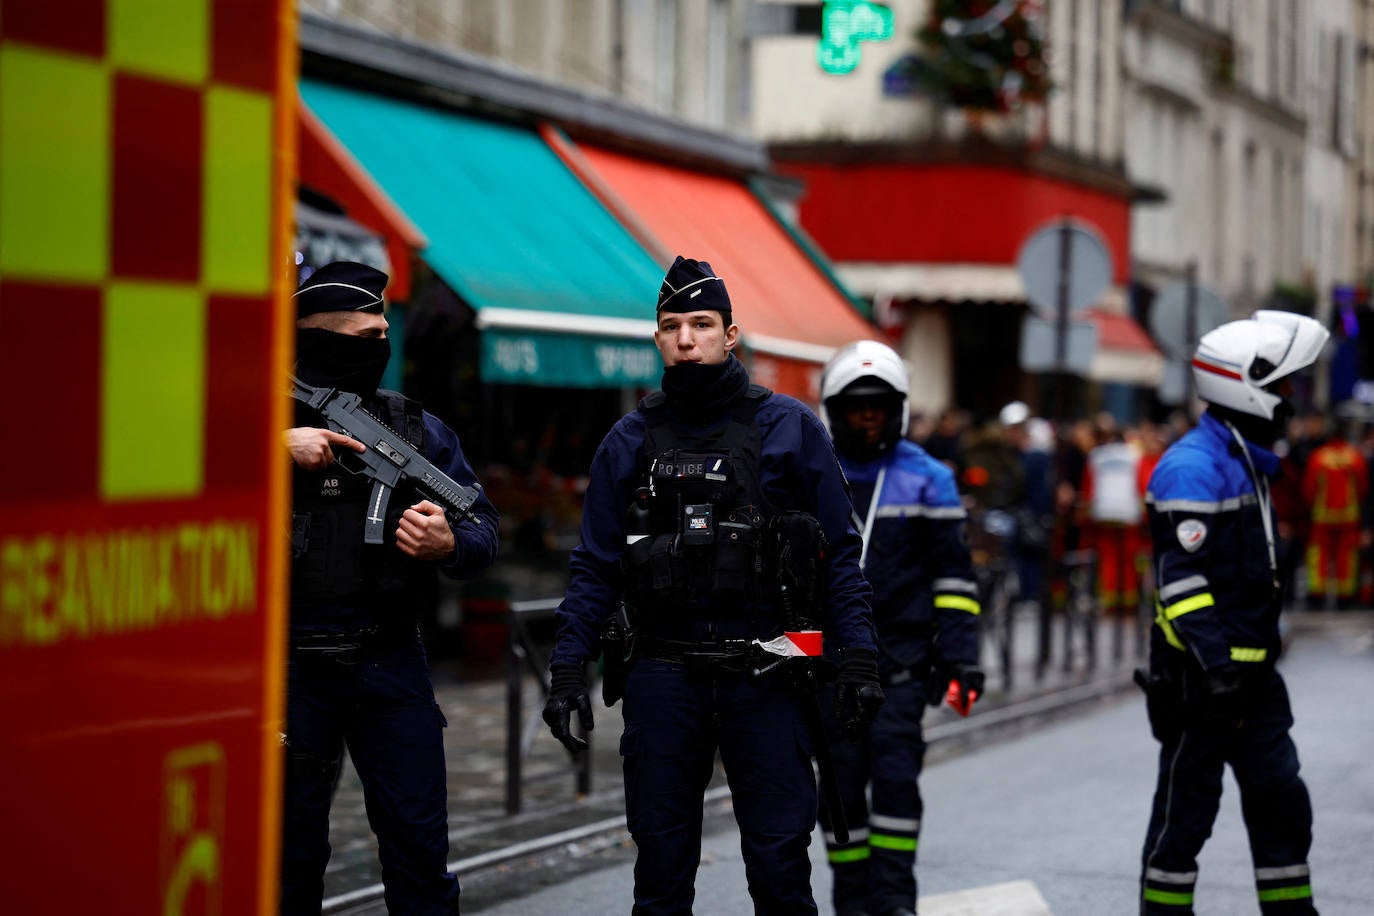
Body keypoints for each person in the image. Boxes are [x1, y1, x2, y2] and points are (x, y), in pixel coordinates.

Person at [541, 256, 881, 914]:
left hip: (773, 674)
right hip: (664, 675)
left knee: (780, 864)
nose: (686, 337)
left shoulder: (791, 429)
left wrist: (859, 659)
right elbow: (594, 566)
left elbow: (839, 553)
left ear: (731, 335)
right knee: (661, 869)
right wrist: (565, 671)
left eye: (702, 323)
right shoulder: (629, 440)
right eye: (672, 325)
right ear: (658, 339)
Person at [282, 261, 500, 915]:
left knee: (419, 855)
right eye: (361, 336)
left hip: (388, 658)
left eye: (384, 333)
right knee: (287, 863)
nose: (378, 348)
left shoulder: (415, 429)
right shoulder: (250, 416)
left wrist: (449, 542)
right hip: (286, 665)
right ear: (316, 338)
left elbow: (482, 527)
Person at [1137, 309, 1326, 915]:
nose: (1291, 400)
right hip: (1201, 683)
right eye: (1283, 387)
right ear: (1245, 385)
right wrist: (1216, 667)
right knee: (1183, 821)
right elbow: (1182, 581)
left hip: (1255, 680)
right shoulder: (1194, 466)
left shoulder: (1248, 457)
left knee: (1282, 806)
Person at [816, 341, 984, 916]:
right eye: (857, 408)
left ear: (899, 411)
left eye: (879, 408)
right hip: (828, 666)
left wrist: (962, 659)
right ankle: (851, 899)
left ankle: (893, 900)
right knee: (838, 790)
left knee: (895, 780)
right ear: (833, 410)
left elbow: (955, 580)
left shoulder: (929, 478)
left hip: (903, 663)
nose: (869, 419)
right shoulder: (808, 473)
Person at [1300, 414, 1368, 609]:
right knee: (1346, 558)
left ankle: (1317, 595)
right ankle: (1344, 598)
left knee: (1318, 556)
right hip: (1349, 517)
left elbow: (1309, 489)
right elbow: (1363, 488)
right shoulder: (1355, 457)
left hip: (1322, 517)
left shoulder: (1318, 457)